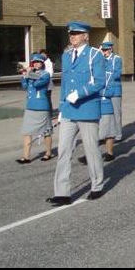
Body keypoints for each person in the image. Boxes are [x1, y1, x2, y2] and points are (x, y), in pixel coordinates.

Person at [46, 21, 106, 206]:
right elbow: (65, 84)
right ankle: (62, 192)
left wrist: (79, 94)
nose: (72, 36)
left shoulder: (94, 55)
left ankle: (97, 185)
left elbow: (99, 82)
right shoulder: (66, 55)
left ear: (86, 36)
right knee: (64, 150)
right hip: (70, 110)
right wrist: (62, 108)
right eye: (71, 33)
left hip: (87, 109)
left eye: (77, 33)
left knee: (91, 150)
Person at [17, 53, 53, 164]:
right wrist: (24, 76)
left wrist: (28, 73)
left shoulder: (45, 74)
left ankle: (48, 152)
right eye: (35, 62)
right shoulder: (31, 74)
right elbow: (25, 86)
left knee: (46, 131)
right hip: (30, 106)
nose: (37, 64)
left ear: (42, 63)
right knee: (26, 131)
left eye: (39, 62)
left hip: (42, 106)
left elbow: (38, 84)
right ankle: (26, 156)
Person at [101, 42, 123, 141]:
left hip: (114, 89)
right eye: (103, 50)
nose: (104, 52)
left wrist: (106, 72)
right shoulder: (102, 60)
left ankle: (118, 134)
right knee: (104, 113)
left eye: (105, 50)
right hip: (104, 90)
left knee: (116, 113)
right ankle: (104, 133)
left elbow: (116, 74)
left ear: (110, 49)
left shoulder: (116, 59)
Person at [39, 49, 54, 117]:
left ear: (46, 54)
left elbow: (50, 74)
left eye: (43, 54)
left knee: (48, 99)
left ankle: (50, 114)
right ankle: (44, 113)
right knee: (43, 99)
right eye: (40, 55)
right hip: (42, 84)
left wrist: (43, 75)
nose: (42, 56)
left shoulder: (49, 62)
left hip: (48, 84)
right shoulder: (41, 62)